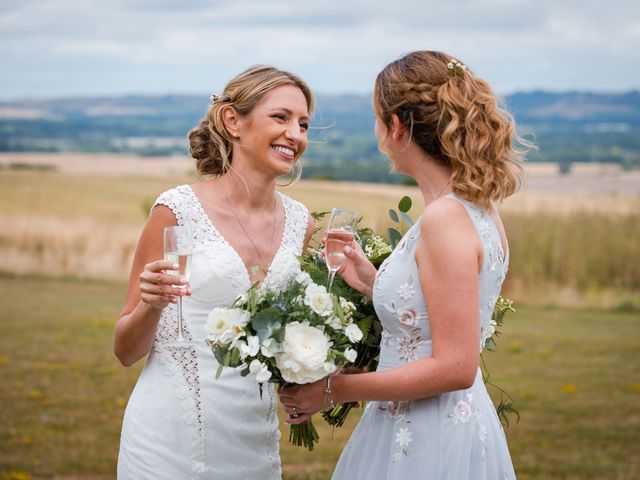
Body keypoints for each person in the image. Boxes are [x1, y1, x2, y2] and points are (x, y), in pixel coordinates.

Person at [279, 51, 526, 479]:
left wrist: (332, 388)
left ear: (396, 126)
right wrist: (371, 281)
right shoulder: (478, 207)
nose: (377, 134)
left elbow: (456, 366)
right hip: (440, 421)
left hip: (428, 435)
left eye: (378, 119)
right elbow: (437, 315)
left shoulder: (445, 219)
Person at [114, 65, 315, 479]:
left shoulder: (302, 224)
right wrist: (152, 306)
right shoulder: (177, 212)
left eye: (303, 124)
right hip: (168, 441)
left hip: (253, 442)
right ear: (232, 121)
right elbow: (125, 351)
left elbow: (286, 338)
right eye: (281, 117)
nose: (295, 134)